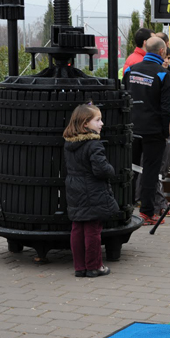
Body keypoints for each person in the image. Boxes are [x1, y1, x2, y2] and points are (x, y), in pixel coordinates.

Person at [63, 102, 118, 278]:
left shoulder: (69, 143)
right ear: (85, 123)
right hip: (92, 190)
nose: (102, 123)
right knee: (93, 228)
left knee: (78, 227)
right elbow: (100, 169)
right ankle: (94, 266)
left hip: (74, 188)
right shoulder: (94, 144)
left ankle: (80, 267)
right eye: (98, 120)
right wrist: (111, 169)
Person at [123, 36, 170, 225]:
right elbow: (168, 108)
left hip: (131, 129)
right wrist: (165, 132)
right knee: (151, 172)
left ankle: (125, 210)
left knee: (130, 170)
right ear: (162, 52)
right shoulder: (163, 74)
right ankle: (146, 213)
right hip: (154, 132)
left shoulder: (129, 70)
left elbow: (123, 97)